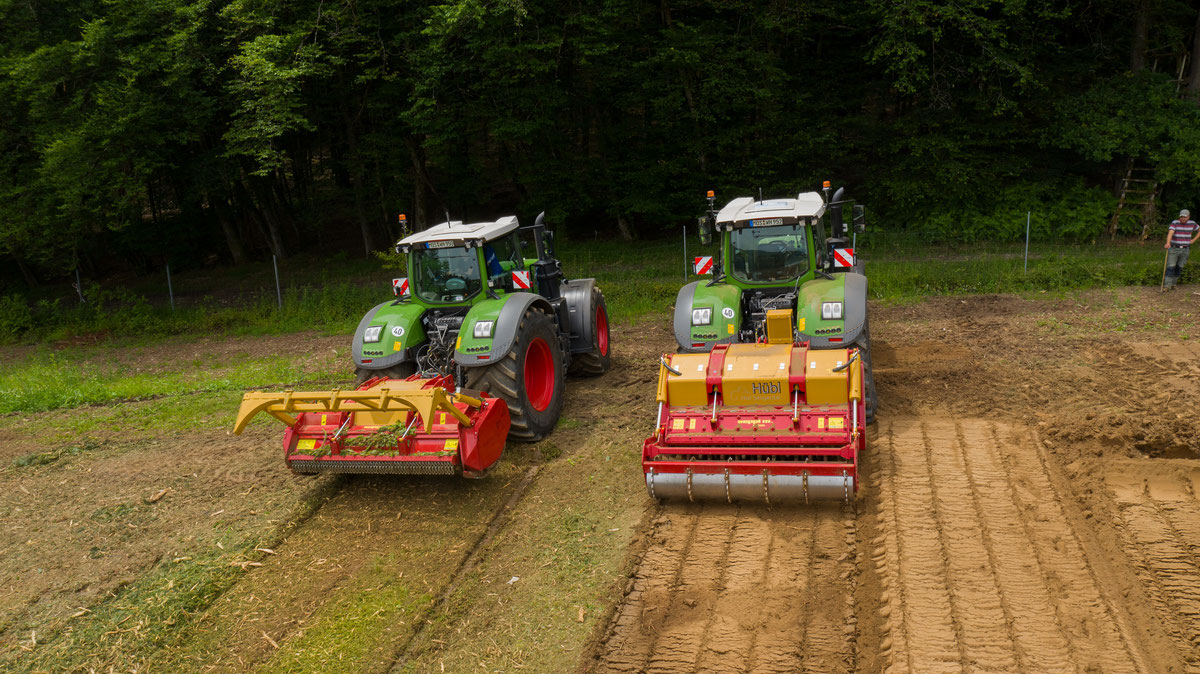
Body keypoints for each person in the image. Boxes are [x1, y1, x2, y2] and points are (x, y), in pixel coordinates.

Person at [1164, 209, 1199, 290]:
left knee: (1179, 267)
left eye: (1185, 217)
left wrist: (1193, 240)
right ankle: (1167, 285)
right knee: (1171, 266)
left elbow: (1199, 230)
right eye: (1181, 217)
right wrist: (1168, 243)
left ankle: (1174, 284)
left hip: (1185, 249)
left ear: (1188, 217)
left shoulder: (1192, 223)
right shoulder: (1175, 223)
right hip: (1174, 248)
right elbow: (1170, 233)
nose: (1183, 218)